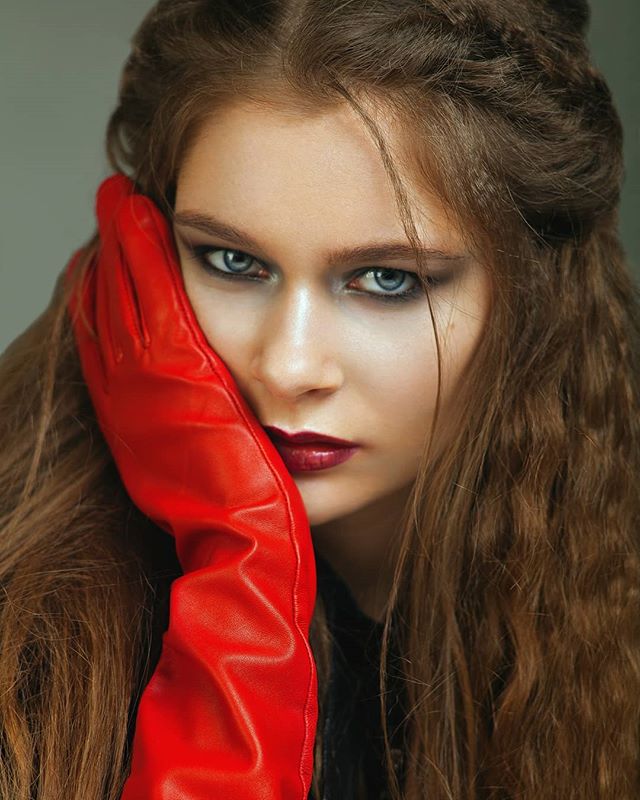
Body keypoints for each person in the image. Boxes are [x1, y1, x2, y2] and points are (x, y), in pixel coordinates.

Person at [1, 0, 639, 798]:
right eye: (232, 261)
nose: (290, 365)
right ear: (141, 259)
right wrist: (242, 572)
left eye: (387, 280)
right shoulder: (24, 629)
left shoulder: (610, 619)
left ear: (536, 297)